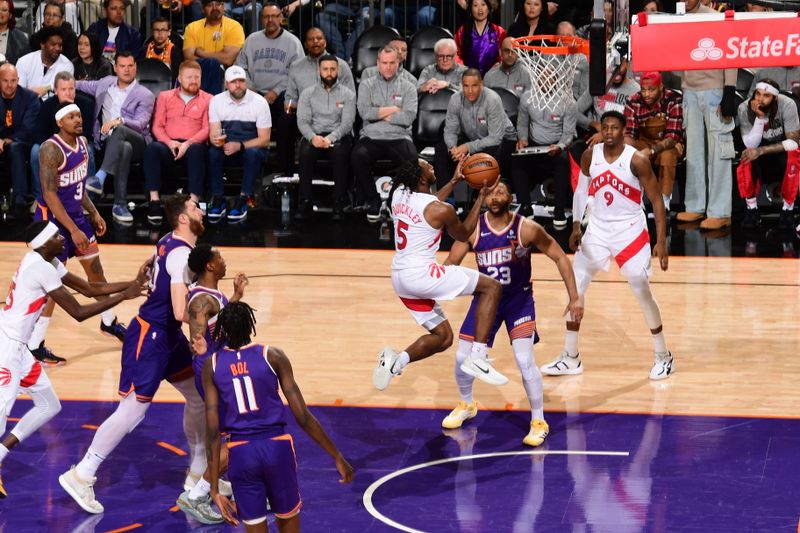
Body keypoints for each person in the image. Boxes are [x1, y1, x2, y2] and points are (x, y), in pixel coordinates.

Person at [59, 194, 210, 515]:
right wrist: (215, 306)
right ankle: (81, 473)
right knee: (133, 411)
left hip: (166, 337)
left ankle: (198, 470)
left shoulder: (171, 241)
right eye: (195, 207)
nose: (201, 211)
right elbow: (183, 311)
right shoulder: (180, 256)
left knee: (199, 395)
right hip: (151, 337)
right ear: (183, 218)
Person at [0, 220, 147, 497]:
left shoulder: (46, 259)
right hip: (6, 348)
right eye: (57, 236)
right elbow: (78, 312)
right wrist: (123, 297)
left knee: (49, 405)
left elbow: (88, 289)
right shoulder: (40, 267)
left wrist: (133, 284)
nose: (62, 239)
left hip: (19, 348)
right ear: (44, 243)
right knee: (2, 409)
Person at [443, 181, 581, 446]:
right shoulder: (473, 230)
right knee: (461, 356)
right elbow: (450, 264)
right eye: (491, 192)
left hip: (518, 301)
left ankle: (539, 420)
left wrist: (574, 297)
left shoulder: (526, 228)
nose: (495, 196)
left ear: (511, 196)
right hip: (485, 302)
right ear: (483, 198)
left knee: (524, 359)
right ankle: (467, 404)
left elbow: (560, 257)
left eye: (501, 191)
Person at [540, 111, 674, 381]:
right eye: (605, 127)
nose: (609, 132)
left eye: (615, 127)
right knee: (575, 286)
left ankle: (663, 355)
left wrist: (661, 241)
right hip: (598, 229)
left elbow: (657, 202)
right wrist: (577, 225)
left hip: (630, 230)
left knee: (640, 288)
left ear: (624, 131)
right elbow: (581, 190)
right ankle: (570, 356)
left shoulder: (637, 159)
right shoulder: (591, 155)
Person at [199, 301, 355, 531]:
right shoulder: (271, 355)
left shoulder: (211, 366)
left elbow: (212, 431)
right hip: (276, 448)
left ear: (222, 330)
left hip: (241, 453)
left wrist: (213, 487)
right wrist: (336, 455)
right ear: (251, 326)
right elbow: (302, 416)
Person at [373, 159, 508, 391]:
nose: (432, 165)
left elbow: (431, 204)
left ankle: (396, 362)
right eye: (427, 165)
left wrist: (455, 181)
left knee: (444, 337)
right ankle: (478, 357)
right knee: (492, 288)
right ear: (422, 178)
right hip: (422, 276)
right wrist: (480, 199)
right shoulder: (441, 210)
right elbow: (464, 234)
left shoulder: (398, 196)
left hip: (400, 279)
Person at [32, 103, 126, 366]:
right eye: (71, 116)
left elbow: (78, 185)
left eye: (79, 116)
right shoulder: (51, 149)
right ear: (60, 122)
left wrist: (93, 213)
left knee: (95, 271)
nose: (78, 120)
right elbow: (50, 195)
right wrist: (72, 230)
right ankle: (35, 345)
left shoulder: (83, 144)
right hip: (52, 224)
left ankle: (109, 323)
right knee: (53, 287)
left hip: (76, 217)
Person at [176, 243, 247, 524]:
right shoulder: (200, 301)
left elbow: (218, 327)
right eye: (220, 257)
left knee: (234, 435)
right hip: (213, 373)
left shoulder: (213, 296)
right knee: (238, 436)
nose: (223, 261)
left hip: (219, 370)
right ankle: (196, 496)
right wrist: (208, 360)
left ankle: (234, 487)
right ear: (209, 265)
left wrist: (237, 296)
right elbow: (199, 343)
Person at [674, 0, 737, 231]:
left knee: (719, 152)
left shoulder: (715, 17)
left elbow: (731, 51)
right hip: (689, 91)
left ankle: (720, 211)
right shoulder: (674, 19)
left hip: (715, 91)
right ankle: (695, 205)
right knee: (694, 152)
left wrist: (729, 90)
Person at [78, 51, 156, 223]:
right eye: (122, 66)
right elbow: (80, 85)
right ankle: (119, 205)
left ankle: (100, 177)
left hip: (139, 141)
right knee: (123, 147)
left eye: (130, 66)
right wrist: (54, 86)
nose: (126, 70)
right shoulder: (105, 84)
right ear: (115, 68)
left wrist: (118, 121)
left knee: (121, 131)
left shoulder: (145, 94)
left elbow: (141, 123)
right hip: (110, 143)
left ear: (136, 67)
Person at [235, 2, 303, 177]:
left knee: (285, 122)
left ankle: (284, 171)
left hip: (281, 95)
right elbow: (240, 68)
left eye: (274, 16)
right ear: (261, 19)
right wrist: (252, 90)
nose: (270, 20)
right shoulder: (251, 40)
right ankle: (247, 169)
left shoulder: (293, 42)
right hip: (253, 94)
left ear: (281, 18)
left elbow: (297, 74)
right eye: (266, 16)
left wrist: (276, 91)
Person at [352, 45, 418, 223]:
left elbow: (408, 117)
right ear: (378, 63)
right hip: (371, 137)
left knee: (412, 160)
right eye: (384, 63)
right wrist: (394, 110)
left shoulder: (409, 87)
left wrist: (379, 113)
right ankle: (373, 200)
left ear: (398, 63)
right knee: (357, 155)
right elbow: (365, 113)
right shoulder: (366, 85)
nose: (388, 67)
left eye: (392, 63)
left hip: (399, 136)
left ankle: (391, 202)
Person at [143, 60, 211, 225]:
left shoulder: (209, 99)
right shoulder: (165, 97)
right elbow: (157, 126)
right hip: (169, 144)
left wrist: (187, 143)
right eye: (189, 77)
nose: (193, 81)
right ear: (179, 78)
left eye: (197, 77)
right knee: (152, 149)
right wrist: (170, 142)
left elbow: (207, 129)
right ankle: (154, 201)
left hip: (193, 145)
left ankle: (193, 202)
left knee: (197, 151)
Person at [284, 27, 355, 184]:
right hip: (306, 117)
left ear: (325, 41)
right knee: (285, 121)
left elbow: (350, 97)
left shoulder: (341, 65)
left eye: (319, 38)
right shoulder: (296, 66)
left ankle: (343, 192)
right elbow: (290, 96)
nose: (315, 42)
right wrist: (290, 106)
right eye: (311, 39)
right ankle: (288, 174)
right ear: (305, 44)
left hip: (335, 118)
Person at [206, 65, 271, 222]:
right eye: (233, 82)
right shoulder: (216, 101)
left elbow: (265, 139)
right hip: (227, 147)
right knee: (212, 152)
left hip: (251, 148)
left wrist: (240, 145)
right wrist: (215, 141)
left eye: (241, 81)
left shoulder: (259, 102)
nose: (238, 85)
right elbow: (214, 133)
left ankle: (244, 198)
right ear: (226, 84)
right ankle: (218, 198)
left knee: (253, 153)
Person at [437, 68, 516, 194]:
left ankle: (482, 200)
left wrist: (467, 147)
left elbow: (495, 138)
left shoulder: (492, 99)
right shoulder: (455, 99)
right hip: (475, 139)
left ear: (481, 84)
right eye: (466, 86)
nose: (469, 91)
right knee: (442, 149)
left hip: (503, 140)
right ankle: (446, 200)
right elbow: (450, 130)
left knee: (487, 154)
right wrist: (453, 148)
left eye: (474, 86)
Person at [296, 54, 356, 220]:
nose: (329, 73)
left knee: (340, 153)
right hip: (314, 135)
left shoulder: (348, 94)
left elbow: (347, 124)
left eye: (332, 69)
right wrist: (313, 137)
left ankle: (339, 200)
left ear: (338, 70)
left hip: (338, 136)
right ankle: (305, 200)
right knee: (306, 153)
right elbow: (302, 121)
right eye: (325, 69)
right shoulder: (307, 94)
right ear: (319, 71)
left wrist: (330, 138)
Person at [737, 78, 800, 230]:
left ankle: (788, 211)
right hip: (759, 153)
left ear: (775, 98)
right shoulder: (744, 108)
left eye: (766, 96)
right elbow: (750, 145)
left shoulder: (787, 104)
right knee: (746, 158)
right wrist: (760, 118)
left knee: (794, 156)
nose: (760, 99)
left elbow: (793, 142)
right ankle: (752, 210)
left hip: (780, 152)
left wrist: (762, 150)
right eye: (758, 94)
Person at [512, 81, 577, 225]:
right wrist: (522, 139)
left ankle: (559, 211)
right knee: (517, 161)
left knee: (563, 161)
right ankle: (525, 207)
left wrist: (560, 146)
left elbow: (568, 134)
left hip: (556, 145)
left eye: (551, 76)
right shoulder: (527, 97)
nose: (546, 79)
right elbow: (522, 123)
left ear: (557, 77)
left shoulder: (569, 101)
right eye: (543, 75)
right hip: (533, 144)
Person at [624, 71, 684, 215]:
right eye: (643, 90)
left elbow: (673, 136)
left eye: (651, 90)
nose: (647, 94)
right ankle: (635, 200)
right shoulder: (633, 101)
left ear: (661, 87)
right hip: (644, 142)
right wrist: (630, 151)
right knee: (629, 148)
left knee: (667, 155)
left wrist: (652, 151)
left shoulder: (673, 100)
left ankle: (664, 204)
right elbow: (630, 134)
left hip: (668, 144)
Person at [31, 71, 96, 204]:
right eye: (63, 89)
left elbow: (87, 134)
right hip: (53, 146)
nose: (68, 93)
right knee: (35, 151)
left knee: (88, 150)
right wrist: (55, 146)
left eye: (71, 89)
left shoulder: (86, 104)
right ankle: (41, 198)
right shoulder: (47, 105)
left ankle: (87, 199)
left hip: (76, 144)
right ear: (56, 91)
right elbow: (39, 134)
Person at [0, 63, 40, 221]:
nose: (10, 85)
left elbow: (28, 128)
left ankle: (19, 199)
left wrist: (5, 141)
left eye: (13, 80)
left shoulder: (29, 98)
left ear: (18, 80)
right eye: (5, 81)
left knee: (15, 148)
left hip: (23, 141)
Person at [16, 26, 74, 99]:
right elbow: (19, 90)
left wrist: (46, 89)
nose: (57, 48)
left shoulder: (67, 65)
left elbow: (64, 88)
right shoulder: (24, 61)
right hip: (28, 103)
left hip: (54, 105)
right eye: (53, 44)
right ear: (42, 45)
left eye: (60, 45)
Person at [183, 0, 245, 69]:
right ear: (203, 9)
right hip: (200, 72)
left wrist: (201, 52)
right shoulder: (192, 27)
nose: (214, 8)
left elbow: (228, 59)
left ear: (223, 7)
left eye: (218, 4)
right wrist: (220, 56)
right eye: (210, 5)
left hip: (226, 75)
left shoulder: (235, 27)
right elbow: (189, 58)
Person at [455, 0, 506, 76]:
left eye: (483, 4)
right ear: (471, 9)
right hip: (468, 79)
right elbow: (456, 55)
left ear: (489, 8)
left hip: (493, 79)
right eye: (475, 5)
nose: (480, 9)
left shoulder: (499, 32)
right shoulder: (462, 31)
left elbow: (503, 57)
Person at [0, 0, 31, 65]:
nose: (0, 12)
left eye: (4, 10)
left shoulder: (21, 38)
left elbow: (27, 64)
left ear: (10, 15)